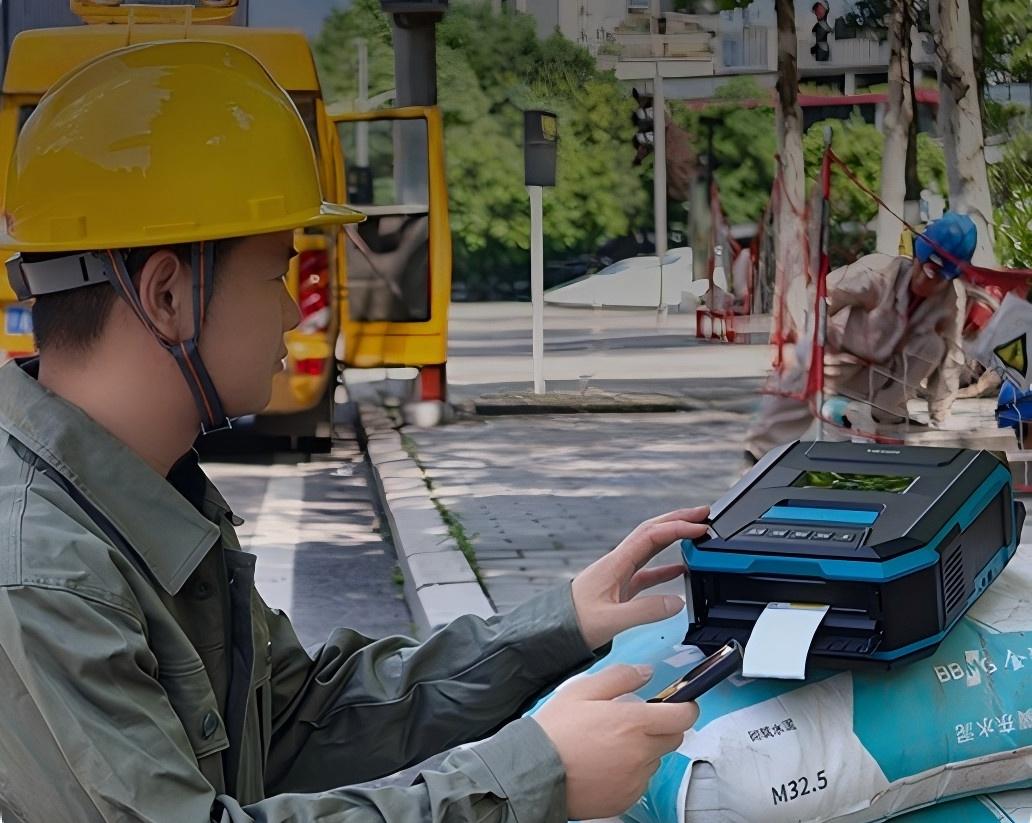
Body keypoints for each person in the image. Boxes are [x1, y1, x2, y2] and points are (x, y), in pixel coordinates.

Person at [0, 42, 704, 821]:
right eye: (274, 273)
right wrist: (534, 776)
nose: (290, 310)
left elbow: (304, 717)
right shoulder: (44, 568)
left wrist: (559, 621)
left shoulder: (139, 498)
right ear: (168, 295)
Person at [745, 211, 976, 463]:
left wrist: (939, 415)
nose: (925, 281)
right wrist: (808, 340)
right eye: (925, 269)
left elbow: (952, 356)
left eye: (938, 277)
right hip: (840, 357)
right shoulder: (878, 272)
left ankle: (882, 420)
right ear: (916, 258)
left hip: (885, 380)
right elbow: (818, 297)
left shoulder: (950, 301)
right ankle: (758, 452)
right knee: (801, 370)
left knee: (933, 345)